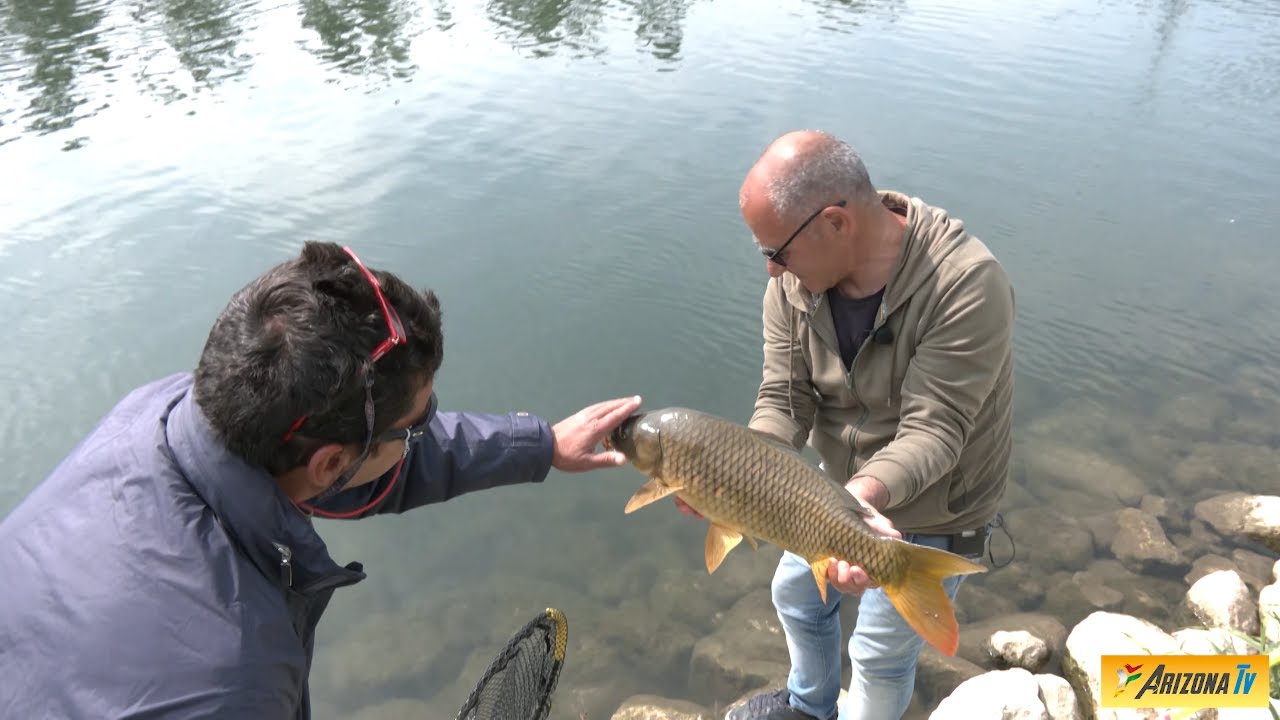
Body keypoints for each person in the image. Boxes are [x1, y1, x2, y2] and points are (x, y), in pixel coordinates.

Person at [0, 241, 642, 719]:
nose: (422, 433)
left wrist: (542, 445)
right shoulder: (235, 673)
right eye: (415, 426)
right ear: (329, 463)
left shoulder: (166, 413)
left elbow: (379, 461)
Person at [702, 130, 1016, 720]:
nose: (771, 271)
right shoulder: (797, 285)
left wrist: (854, 509)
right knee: (795, 591)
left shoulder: (968, 284)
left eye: (778, 251)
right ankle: (808, 706)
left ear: (836, 224)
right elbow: (784, 398)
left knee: (878, 652)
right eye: (763, 253)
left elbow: (935, 432)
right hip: (840, 489)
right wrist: (739, 470)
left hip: (936, 501)